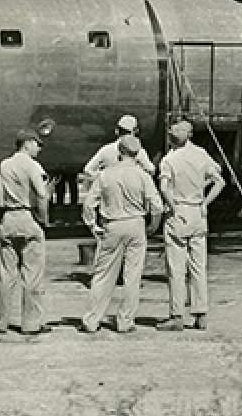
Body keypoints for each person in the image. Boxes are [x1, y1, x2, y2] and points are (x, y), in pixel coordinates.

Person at [81, 134, 164, 334]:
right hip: (136, 224)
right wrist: (153, 226)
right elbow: (157, 206)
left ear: (119, 152)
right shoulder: (143, 176)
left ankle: (92, 320)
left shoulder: (106, 174)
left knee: (103, 275)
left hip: (113, 224)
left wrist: (93, 225)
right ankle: (125, 321)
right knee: (132, 275)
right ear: (137, 154)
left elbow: (88, 204)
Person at [157, 119, 224, 331]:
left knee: (177, 269)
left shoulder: (169, 160)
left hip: (179, 211)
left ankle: (177, 315)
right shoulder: (201, 154)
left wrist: (172, 207)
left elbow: (164, 188)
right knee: (198, 267)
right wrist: (205, 201)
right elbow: (220, 181)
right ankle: (201, 313)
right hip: (198, 212)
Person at [0, 130, 52, 336]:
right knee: (32, 274)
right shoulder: (33, 166)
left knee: (6, 274)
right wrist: (44, 220)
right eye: (37, 144)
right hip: (27, 217)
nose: (39, 148)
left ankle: (0, 322)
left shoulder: (5, 164)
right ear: (27, 143)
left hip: (8, 217)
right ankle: (31, 324)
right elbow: (42, 196)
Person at [81, 115, 151, 189]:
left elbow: (88, 170)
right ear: (135, 131)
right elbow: (151, 170)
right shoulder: (139, 151)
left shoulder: (106, 149)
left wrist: (103, 179)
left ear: (117, 131)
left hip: (110, 192)